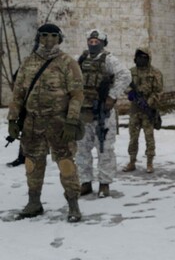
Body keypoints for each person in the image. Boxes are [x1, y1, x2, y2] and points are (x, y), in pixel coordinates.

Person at [7, 23, 85, 222]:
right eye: (44, 36)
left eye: (52, 35)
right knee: (32, 163)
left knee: (66, 163)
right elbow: (18, 93)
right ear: (38, 38)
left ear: (59, 38)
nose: (48, 39)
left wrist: (72, 121)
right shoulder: (28, 62)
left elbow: (76, 94)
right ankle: (34, 203)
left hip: (59, 123)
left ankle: (73, 205)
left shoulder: (67, 62)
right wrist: (13, 119)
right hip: (32, 124)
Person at [76, 29, 131, 198]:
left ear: (103, 43)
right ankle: (85, 182)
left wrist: (112, 96)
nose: (93, 44)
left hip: (103, 112)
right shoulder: (81, 59)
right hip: (84, 111)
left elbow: (125, 75)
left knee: (105, 149)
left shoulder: (109, 59)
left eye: (96, 42)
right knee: (82, 149)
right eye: (90, 42)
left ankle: (104, 183)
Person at [122, 47, 164, 174]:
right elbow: (124, 85)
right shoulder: (131, 72)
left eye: (144, 57)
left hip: (148, 110)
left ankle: (149, 162)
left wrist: (149, 103)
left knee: (149, 137)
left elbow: (159, 91)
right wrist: (130, 93)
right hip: (135, 110)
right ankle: (132, 161)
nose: (141, 59)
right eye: (139, 57)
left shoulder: (155, 73)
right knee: (133, 138)